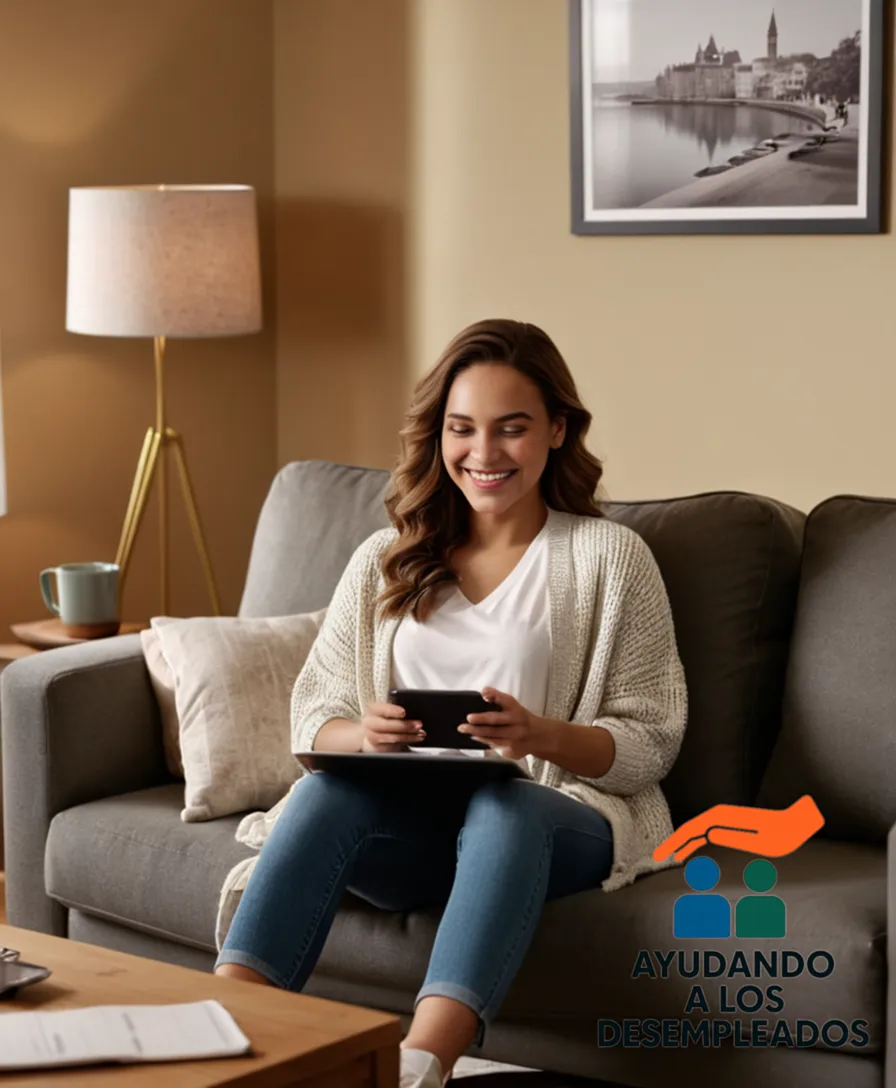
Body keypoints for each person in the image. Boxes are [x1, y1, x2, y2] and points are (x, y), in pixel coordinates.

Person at [213, 319, 688, 1088]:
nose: (484, 454)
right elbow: (314, 712)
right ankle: (224, 1033)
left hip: (552, 817)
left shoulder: (609, 557)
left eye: (512, 429)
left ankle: (420, 1067)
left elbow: (650, 739)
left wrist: (540, 735)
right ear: (438, 436)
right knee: (326, 792)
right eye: (462, 429)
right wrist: (364, 734)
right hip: (411, 830)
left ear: (558, 431)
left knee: (508, 807)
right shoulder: (387, 557)